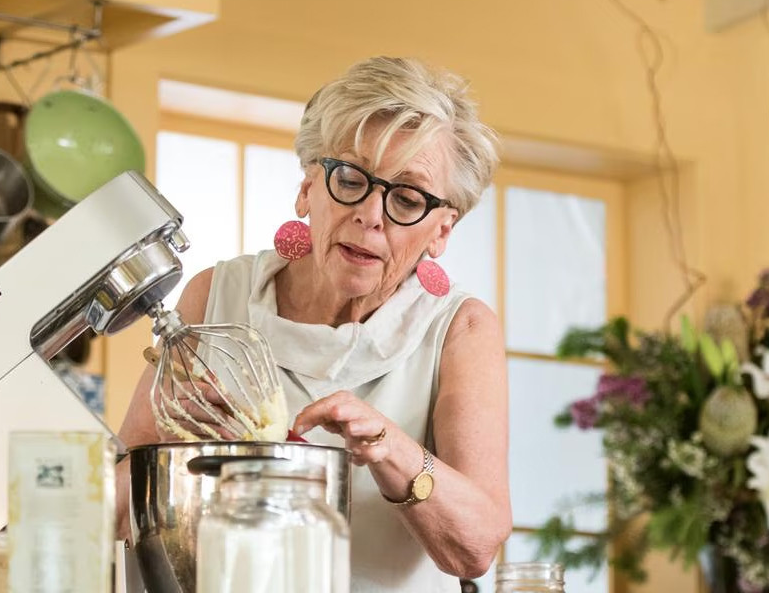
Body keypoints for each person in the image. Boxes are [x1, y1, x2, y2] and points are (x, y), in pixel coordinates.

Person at [117, 56, 511, 592]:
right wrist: (167, 441)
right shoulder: (215, 296)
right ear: (308, 189)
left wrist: (390, 448)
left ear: (441, 230)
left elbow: (476, 548)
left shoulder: (460, 330)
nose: (371, 214)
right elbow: (114, 512)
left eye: (407, 197)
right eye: (351, 178)